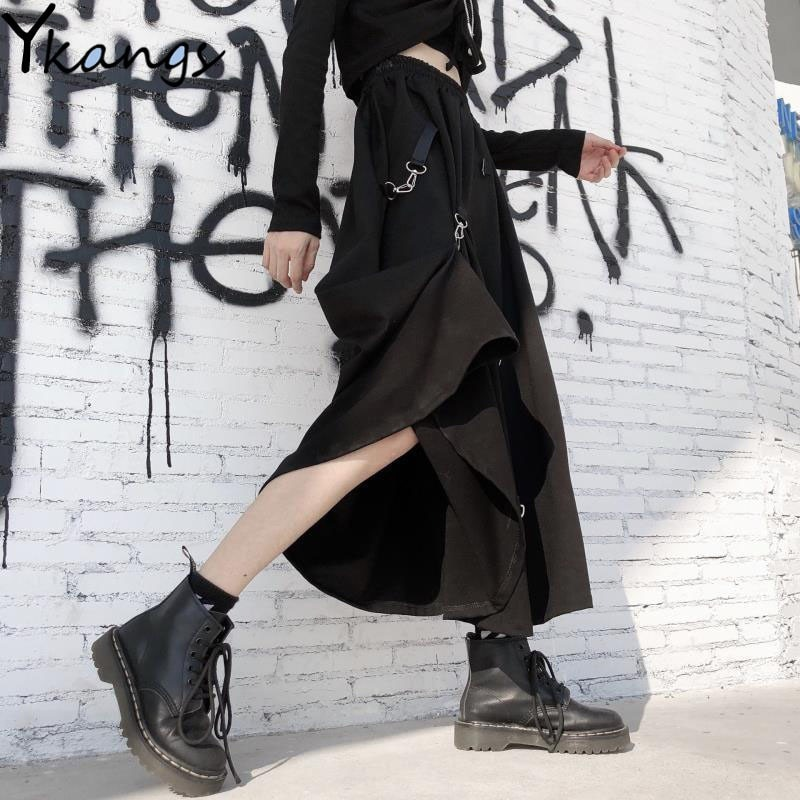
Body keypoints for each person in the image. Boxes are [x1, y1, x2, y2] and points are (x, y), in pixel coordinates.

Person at [90, 1, 630, 795]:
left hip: (455, 166)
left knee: (494, 404)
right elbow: (307, 58)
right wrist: (293, 204)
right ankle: (177, 625)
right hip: (411, 161)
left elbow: (456, 120)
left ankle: (503, 678)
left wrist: (555, 148)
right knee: (408, 398)